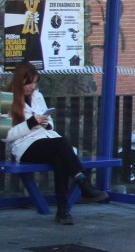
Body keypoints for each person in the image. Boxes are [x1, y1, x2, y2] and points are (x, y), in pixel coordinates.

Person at [6, 62, 108, 224]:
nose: (33, 87)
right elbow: (6, 135)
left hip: (46, 140)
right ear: (20, 81)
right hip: (24, 146)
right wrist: (30, 123)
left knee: (60, 159)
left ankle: (63, 212)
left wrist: (47, 123)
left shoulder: (37, 96)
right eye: (29, 83)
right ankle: (83, 184)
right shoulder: (6, 99)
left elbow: (50, 121)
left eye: (35, 82)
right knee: (62, 144)